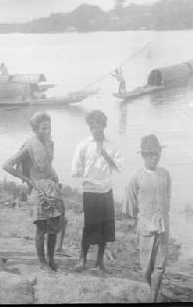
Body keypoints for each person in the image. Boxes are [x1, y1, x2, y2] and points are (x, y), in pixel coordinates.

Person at [2, 112, 64, 272]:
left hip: (51, 188)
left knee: (54, 228)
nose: (47, 131)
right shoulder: (29, 145)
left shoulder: (51, 143)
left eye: (49, 127)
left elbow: (48, 164)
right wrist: (28, 180)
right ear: (36, 129)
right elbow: (7, 165)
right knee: (41, 229)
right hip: (38, 191)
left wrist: (55, 177)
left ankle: (51, 259)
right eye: (44, 128)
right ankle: (42, 261)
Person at [71, 110, 123, 273]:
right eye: (92, 127)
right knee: (89, 226)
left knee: (105, 228)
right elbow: (76, 170)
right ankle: (82, 259)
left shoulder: (112, 145)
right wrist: (90, 176)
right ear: (89, 127)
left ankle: (99, 261)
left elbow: (119, 168)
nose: (95, 130)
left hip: (106, 190)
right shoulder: (83, 145)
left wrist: (107, 157)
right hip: (91, 191)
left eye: (98, 126)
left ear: (104, 126)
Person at [123, 134, 171, 302]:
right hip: (145, 228)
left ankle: (153, 298)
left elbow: (168, 200)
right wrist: (140, 220)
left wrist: (162, 217)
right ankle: (152, 289)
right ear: (143, 155)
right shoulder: (136, 177)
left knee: (160, 266)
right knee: (146, 267)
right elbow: (131, 204)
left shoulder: (165, 174)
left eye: (156, 153)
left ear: (160, 153)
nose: (153, 157)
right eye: (149, 154)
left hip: (163, 227)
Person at [55, 184, 70, 257]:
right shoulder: (56, 194)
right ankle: (58, 248)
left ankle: (59, 248)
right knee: (60, 230)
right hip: (58, 214)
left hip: (60, 214)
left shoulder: (58, 194)